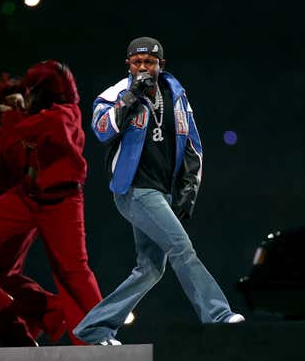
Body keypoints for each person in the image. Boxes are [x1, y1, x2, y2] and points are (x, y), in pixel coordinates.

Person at [73, 37, 244, 346]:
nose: (142, 67)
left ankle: (93, 329)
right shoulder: (115, 93)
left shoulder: (177, 95)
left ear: (160, 65)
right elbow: (101, 130)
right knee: (182, 248)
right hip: (135, 190)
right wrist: (129, 100)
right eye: (136, 62)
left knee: (150, 268)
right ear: (128, 64)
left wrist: (188, 191)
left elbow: (193, 145)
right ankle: (217, 315)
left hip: (162, 191)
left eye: (148, 62)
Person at [0, 61, 102, 345]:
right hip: (28, 197)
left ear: (43, 92)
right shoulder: (32, 116)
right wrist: (18, 111)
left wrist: (15, 117)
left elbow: (39, 131)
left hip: (61, 202)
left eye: (30, 92)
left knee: (73, 272)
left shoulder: (64, 114)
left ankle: (98, 336)